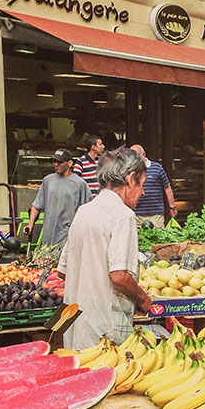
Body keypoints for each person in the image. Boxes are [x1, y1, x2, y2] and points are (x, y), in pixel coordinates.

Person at [58, 146, 151, 350]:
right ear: (130, 178)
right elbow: (118, 276)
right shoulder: (122, 215)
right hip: (104, 332)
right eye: (142, 184)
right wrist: (142, 299)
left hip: (74, 328)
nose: (143, 192)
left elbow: (62, 271)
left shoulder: (84, 211)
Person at [23, 149, 91, 247]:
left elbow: (87, 212)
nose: (55, 164)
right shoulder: (48, 180)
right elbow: (36, 205)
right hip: (48, 237)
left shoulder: (80, 184)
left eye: (59, 162)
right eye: (54, 161)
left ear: (70, 163)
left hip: (68, 237)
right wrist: (30, 224)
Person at [129, 144, 177, 228]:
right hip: (136, 214)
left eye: (136, 156)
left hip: (156, 214)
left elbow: (167, 188)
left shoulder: (157, 168)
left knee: (157, 239)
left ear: (143, 155)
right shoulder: (130, 170)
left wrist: (172, 207)